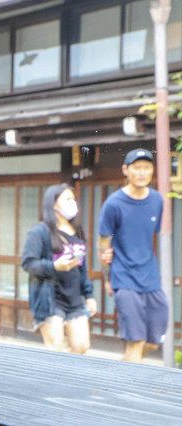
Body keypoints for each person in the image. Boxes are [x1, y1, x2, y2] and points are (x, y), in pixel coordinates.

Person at [98, 148, 168, 363]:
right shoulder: (114, 204)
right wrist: (107, 278)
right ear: (125, 170)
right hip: (124, 278)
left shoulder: (157, 200)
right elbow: (104, 244)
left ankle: (122, 372)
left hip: (150, 278)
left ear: (152, 170)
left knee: (153, 342)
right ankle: (128, 390)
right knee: (136, 341)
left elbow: (149, 237)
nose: (142, 173)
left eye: (146, 168)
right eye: (137, 168)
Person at [22, 184, 97, 354]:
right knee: (54, 349)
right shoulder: (39, 231)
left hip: (74, 299)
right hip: (49, 298)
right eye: (67, 199)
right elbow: (28, 263)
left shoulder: (77, 232)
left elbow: (82, 268)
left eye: (73, 199)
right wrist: (54, 266)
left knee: (81, 347)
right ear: (54, 204)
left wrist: (90, 296)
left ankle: (66, 378)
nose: (73, 203)